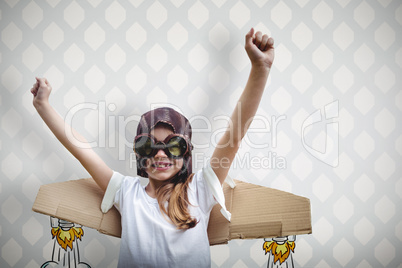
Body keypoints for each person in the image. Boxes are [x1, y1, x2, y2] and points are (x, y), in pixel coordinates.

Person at [31, 28, 275, 267]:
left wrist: (260, 69)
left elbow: (233, 136)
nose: (160, 154)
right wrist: (43, 105)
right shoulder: (127, 192)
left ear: (187, 152)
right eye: (148, 146)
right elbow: (81, 148)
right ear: (138, 153)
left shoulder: (199, 190)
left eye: (174, 146)